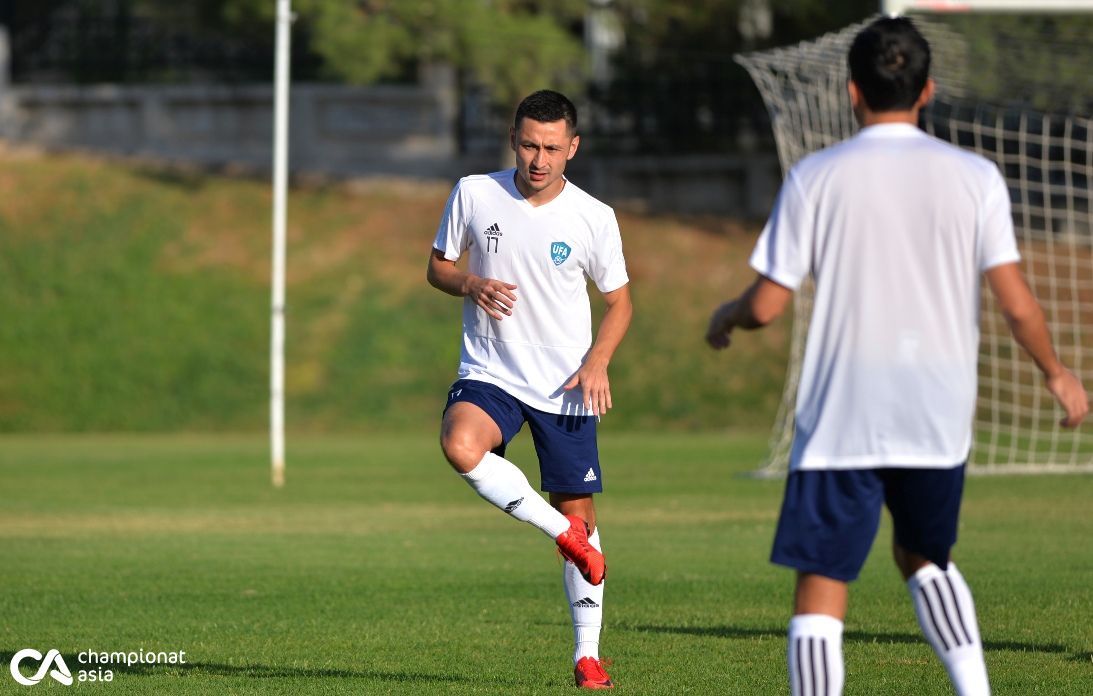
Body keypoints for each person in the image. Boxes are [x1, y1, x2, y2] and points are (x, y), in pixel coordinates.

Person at [705, 17, 1088, 696]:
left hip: (841, 418)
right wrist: (1056, 375)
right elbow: (1017, 303)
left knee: (822, 585)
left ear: (852, 91)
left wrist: (727, 315)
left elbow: (765, 306)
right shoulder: (974, 175)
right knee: (925, 557)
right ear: (928, 90)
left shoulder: (815, 175)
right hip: (935, 415)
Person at [427, 89, 632, 690]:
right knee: (461, 446)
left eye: (550, 147)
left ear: (572, 147)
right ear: (513, 140)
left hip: (566, 386)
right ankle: (563, 537)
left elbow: (619, 303)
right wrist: (469, 283)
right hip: (491, 372)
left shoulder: (594, 217)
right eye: (527, 145)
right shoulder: (475, 192)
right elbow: (438, 265)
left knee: (583, 513)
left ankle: (587, 656)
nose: (538, 159)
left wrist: (598, 361)